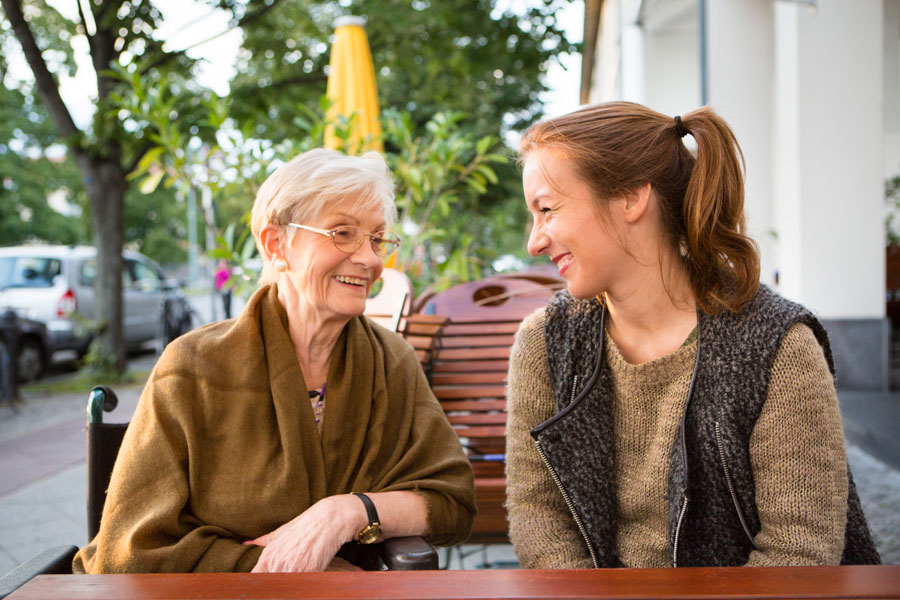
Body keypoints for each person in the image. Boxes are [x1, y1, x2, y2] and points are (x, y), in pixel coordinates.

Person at [505, 101, 880, 569]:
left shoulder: (777, 345)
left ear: (630, 198)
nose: (534, 241)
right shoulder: (546, 345)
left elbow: (799, 549)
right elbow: (538, 513)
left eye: (547, 209)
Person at [73, 148, 476, 573]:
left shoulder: (391, 361)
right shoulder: (192, 367)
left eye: (377, 239)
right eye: (342, 233)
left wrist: (346, 513)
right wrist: (289, 568)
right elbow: (129, 550)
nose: (370, 259)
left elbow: (452, 502)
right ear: (276, 244)